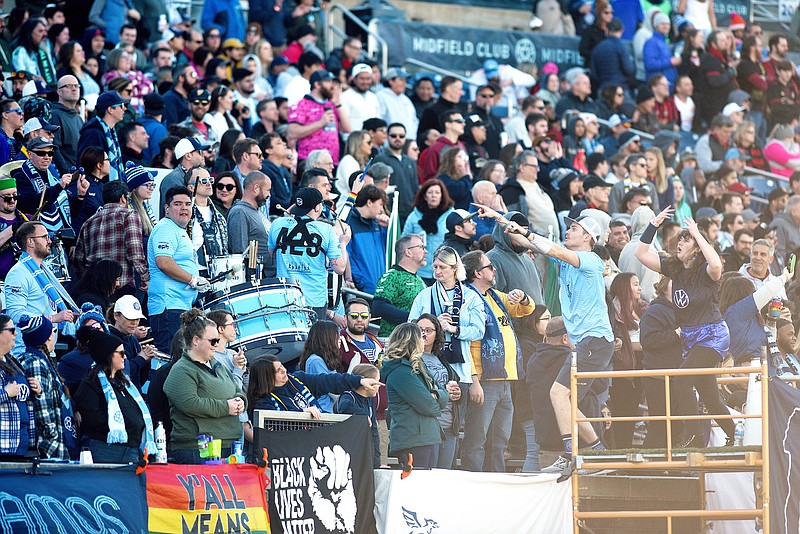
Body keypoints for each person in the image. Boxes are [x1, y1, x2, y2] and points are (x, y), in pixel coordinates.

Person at [476, 206, 613, 472]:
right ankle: (598, 454)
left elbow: (552, 249)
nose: (568, 230)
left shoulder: (592, 259)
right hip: (587, 342)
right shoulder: (568, 259)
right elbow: (537, 246)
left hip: (594, 341)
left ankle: (570, 455)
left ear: (588, 238)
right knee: (565, 399)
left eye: (574, 228)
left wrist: (524, 231)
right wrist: (501, 219)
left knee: (558, 393)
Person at [634, 207, 735, 447]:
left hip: (712, 335)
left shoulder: (705, 271)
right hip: (691, 339)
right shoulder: (674, 268)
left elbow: (716, 264)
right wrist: (653, 225)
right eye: (679, 239)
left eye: (685, 240)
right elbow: (640, 253)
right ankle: (734, 433)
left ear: (697, 247)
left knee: (681, 379)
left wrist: (697, 234)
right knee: (709, 394)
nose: (679, 243)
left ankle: (694, 436)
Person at [460, 250, 533, 472]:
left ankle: (497, 479)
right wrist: (474, 381)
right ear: (477, 273)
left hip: (505, 378)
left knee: (500, 438)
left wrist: (522, 297)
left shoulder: (493, 296)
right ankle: (474, 481)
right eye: (490, 266)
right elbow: (466, 345)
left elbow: (524, 310)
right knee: (477, 438)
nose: (494, 270)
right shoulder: (467, 298)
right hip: (485, 379)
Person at [163, 312, 246, 464]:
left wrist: (241, 401)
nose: (216, 345)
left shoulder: (218, 365)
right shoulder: (181, 369)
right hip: (197, 450)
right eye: (213, 341)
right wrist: (226, 407)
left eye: (217, 340)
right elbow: (189, 403)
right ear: (196, 340)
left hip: (228, 447)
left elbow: (237, 389)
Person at [408, 246, 486, 391]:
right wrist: (433, 325)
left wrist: (454, 329)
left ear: (455, 268)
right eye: (435, 266)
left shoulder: (471, 297)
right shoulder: (424, 295)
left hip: (460, 371)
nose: (437, 271)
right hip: (427, 370)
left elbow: (479, 331)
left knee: (458, 414)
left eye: (442, 267)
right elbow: (410, 328)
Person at [73, 329, 156, 463]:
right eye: (121, 353)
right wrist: (126, 424)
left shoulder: (124, 383)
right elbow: (92, 417)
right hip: (105, 450)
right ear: (108, 355)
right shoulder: (91, 383)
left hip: (132, 450)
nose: (125, 357)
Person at [270, 187, 349, 318]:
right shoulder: (327, 230)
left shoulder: (277, 224)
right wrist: (343, 243)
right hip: (314, 302)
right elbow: (340, 268)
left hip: (285, 299)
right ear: (318, 207)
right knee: (314, 339)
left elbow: (272, 254)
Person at [380, 323, 449, 469]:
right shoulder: (400, 371)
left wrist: (435, 394)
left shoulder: (417, 366)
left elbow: (444, 394)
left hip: (428, 437)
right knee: (417, 489)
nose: (423, 341)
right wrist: (436, 397)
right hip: (413, 440)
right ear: (412, 341)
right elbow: (430, 406)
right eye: (420, 337)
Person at [4, 222, 77, 356]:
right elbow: (15, 314)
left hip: (48, 350)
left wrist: (68, 319)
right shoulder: (18, 273)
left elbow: (46, 309)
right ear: (30, 242)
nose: (49, 241)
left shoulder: (44, 271)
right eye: (45, 237)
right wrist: (54, 318)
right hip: (26, 352)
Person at [147, 186, 206, 353]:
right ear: (167, 208)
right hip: (168, 307)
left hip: (178, 306)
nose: (184, 208)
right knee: (168, 360)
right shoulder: (166, 228)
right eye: (178, 204)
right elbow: (164, 262)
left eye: (188, 204)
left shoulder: (177, 230)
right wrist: (192, 280)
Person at [73, 180, 149, 295]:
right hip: (122, 284)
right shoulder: (129, 215)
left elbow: (78, 259)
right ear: (123, 198)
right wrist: (145, 277)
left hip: (94, 288)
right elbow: (135, 253)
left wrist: (86, 282)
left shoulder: (88, 222)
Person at [18, 315, 76, 460]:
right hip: (48, 448)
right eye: (53, 331)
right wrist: (52, 441)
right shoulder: (35, 363)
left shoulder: (40, 361)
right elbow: (42, 408)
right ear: (48, 337)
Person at [247, 355, 379, 417]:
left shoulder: (298, 379)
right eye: (277, 371)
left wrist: (360, 381)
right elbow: (274, 426)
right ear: (265, 378)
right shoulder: (262, 402)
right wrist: (301, 414)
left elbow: (330, 381)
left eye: (282, 366)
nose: (284, 371)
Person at [412, 313, 461, 469]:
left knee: (445, 477)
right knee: (427, 478)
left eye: (428, 330)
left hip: (449, 424)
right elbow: (416, 393)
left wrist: (457, 393)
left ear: (437, 334)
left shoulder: (441, 357)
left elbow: (451, 384)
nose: (424, 334)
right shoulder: (411, 359)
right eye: (420, 330)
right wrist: (443, 392)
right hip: (427, 427)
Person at [721, 269, 792, 366]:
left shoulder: (750, 319)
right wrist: (784, 277)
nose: (754, 295)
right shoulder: (735, 313)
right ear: (744, 294)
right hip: (751, 375)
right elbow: (767, 291)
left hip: (767, 373)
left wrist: (771, 320)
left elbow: (768, 344)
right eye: (752, 292)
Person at [373, 234, 428, 338]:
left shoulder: (419, 280)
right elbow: (378, 306)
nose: (426, 251)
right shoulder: (392, 276)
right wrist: (413, 319)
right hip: (396, 342)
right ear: (408, 252)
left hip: (415, 341)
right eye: (421, 247)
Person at [0, 314, 39, 458]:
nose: (16, 333)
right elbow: (9, 392)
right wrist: (5, 393)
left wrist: (35, 390)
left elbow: (23, 396)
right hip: (3, 447)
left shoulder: (13, 362)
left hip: (19, 444)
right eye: (11, 330)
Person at [402, 179, 455, 283]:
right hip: (420, 272)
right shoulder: (414, 216)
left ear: (442, 196)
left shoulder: (451, 216)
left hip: (444, 271)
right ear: (425, 196)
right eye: (430, 193)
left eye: (437, 192)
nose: (433, 195)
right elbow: (403, 241)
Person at [227, 171, 274, 276]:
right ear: (256, 188)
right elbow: (239, 253)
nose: (269, 195)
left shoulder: (258, 211)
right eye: (268, 190)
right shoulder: (239, 212)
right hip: (257, 280)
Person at [336, 363, 382, 468]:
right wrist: (363, 416)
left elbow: (374, 432)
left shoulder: (370, 400)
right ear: (366, 385)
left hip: (365, 452)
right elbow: (344, 406)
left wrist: (376, 464)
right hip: (349, 453)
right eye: (376, 382)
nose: (379, 385)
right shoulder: (348, 396)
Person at [76, 91, 127, 182]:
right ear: (110, 109)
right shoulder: (93, 133)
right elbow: (86, 166)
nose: (125, 109)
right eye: (121, 106)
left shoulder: (110, 132)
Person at [206, 309, 247, 389]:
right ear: (221, 329)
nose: (235, 328)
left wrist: (243, 369)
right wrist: (238, 368)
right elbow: (232, 391)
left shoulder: (232, 353)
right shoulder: (211, 358)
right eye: (233, 325)